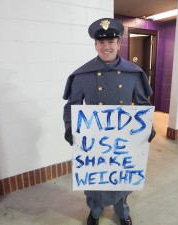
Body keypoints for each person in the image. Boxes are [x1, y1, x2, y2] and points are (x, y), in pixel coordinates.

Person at [63, 18, 155, 225]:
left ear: (119, 43)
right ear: (95, 45)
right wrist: (70, 127)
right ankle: (95, 211)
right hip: (95, 140)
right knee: (96, 179)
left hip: (123, 137)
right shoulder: (82, 74)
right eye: (101, 42)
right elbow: (72, 105)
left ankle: (122, 212)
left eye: (111, 41)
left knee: (121, 177)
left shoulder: (134, 73)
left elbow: (142, 104)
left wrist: (148, 126)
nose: (106, 47)